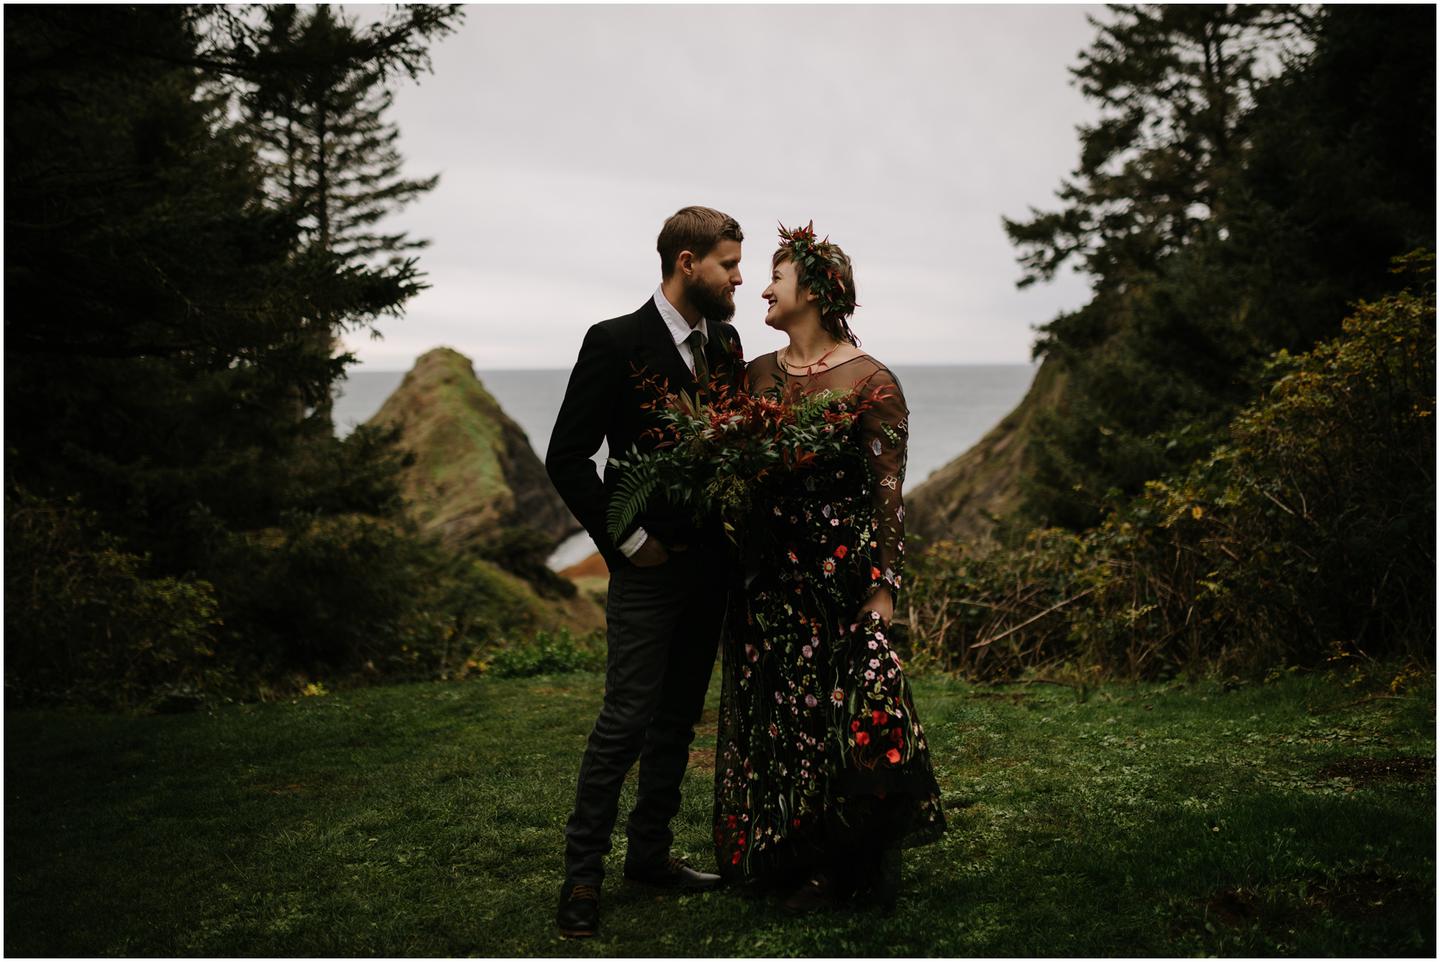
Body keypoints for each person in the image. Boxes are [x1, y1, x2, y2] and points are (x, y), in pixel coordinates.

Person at [712, 223, 945, 912]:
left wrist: (884, 587)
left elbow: (887, 494)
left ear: (812, 290)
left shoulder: (872, 381)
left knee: (840, 717)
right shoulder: (756, 374)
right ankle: (786, 855)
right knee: (778, 719)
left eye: (776, 278)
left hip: (840, 580)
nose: (763, 289)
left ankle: (842, 863)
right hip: (767, 578)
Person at [546, 206, 747, 939]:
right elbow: (568, 456)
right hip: (647, 570)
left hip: (710, 568)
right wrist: (627, 541)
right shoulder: (613, 341)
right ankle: (582, 876)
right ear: (687, 263)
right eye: (729, 264)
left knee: (677, 720)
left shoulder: (725, 344)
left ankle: (651, 856)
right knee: (625, 720)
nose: (738, 278)